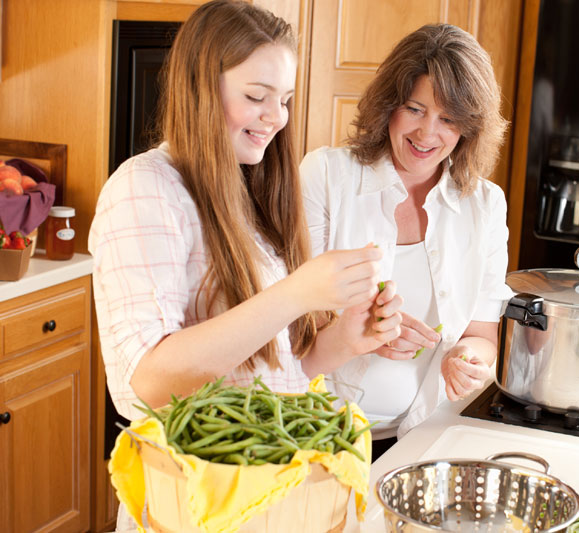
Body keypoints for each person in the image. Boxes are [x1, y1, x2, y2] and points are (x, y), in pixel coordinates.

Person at [89, 0, 403, 430]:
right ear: (199, 88)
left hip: (271, 470)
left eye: (285, 99)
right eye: (256, 96)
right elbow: (148, 382)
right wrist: (296, 294)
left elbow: (272, 375)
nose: (276, 118)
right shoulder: (145, 189)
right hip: (197, 486)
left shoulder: (251, 190)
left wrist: (346, 339)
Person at [300, 23, 513, 458]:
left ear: (469, 128)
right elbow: (290, 323)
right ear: (389, 104)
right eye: (415, 109)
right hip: (319, 436)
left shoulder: (486, 205)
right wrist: (363, 332)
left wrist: (467, 360)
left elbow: (481, 335)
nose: (427, 134)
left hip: (428, 438)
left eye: (448, 119)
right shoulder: (326, 176)